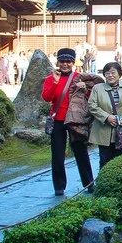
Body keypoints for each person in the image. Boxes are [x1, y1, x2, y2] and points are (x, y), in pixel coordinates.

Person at [41, 48, 95, 196]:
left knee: (80, 151)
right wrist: (55, 82)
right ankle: (59, 186)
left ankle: (89, 183)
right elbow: (47, 98)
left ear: (73, 62)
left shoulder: (79, 78)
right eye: (62, 61)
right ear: (58, 62)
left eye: (68, 61)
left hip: (75, 120)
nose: (65, 64)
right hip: (58, 119)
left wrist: (85, 90)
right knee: (58, 154)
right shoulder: (50, 78)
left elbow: (90, 97)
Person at [88, 61, 122, 168]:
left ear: (119, 73)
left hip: (121, 130)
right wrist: (106, 117)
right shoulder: (97, 88)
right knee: (104, 160)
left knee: (119, 161)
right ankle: (104, 182)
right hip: (103, 130)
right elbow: (92, 105)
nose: (110, 75)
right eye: (107, 73)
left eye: (113, 72)